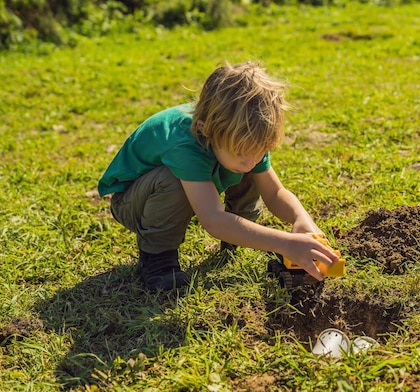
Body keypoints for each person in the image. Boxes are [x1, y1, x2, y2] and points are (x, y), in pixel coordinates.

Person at [98, 61, 339, 290]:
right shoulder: (185, 145)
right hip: (135, 203)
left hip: (195, 175)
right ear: (205, 129)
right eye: (242, 152)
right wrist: (284, 243)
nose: (252, 159)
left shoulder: (245, 142)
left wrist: (301, 219)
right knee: (173, 181)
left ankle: (240, 233)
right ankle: (158, 257)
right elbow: (212, 219)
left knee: (247, 170)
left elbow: (275, 193)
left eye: (261, 150)